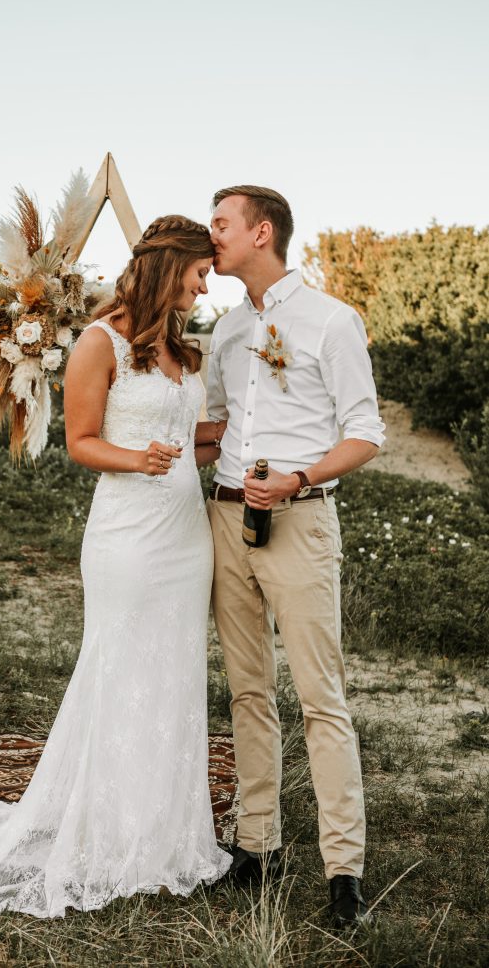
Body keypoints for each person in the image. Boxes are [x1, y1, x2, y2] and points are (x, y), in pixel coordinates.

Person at [0, 215, 232, 919]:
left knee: (175, 671)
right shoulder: (102, 342)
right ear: (169, 267)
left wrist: (233, 439)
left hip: (185, 537)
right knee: (119, 667)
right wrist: (138, 457)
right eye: (197, 270)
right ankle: (105, 826)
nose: (204, 282)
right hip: (127, 536)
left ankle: (161, 831)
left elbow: (192, 444)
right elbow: (80, 441)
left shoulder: (183, 352)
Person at [205, 185, 385, 928]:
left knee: (321, 700)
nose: (208, 235)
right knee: (246, 691)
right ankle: (256, 847)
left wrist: (300, 478)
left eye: (220, 224)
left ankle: (343, 874)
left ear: (261, 231)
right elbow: (215, 425)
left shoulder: (331, 320)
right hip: (223, 518)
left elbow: (365, 431)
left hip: (300, 521)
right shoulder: (221, 330)